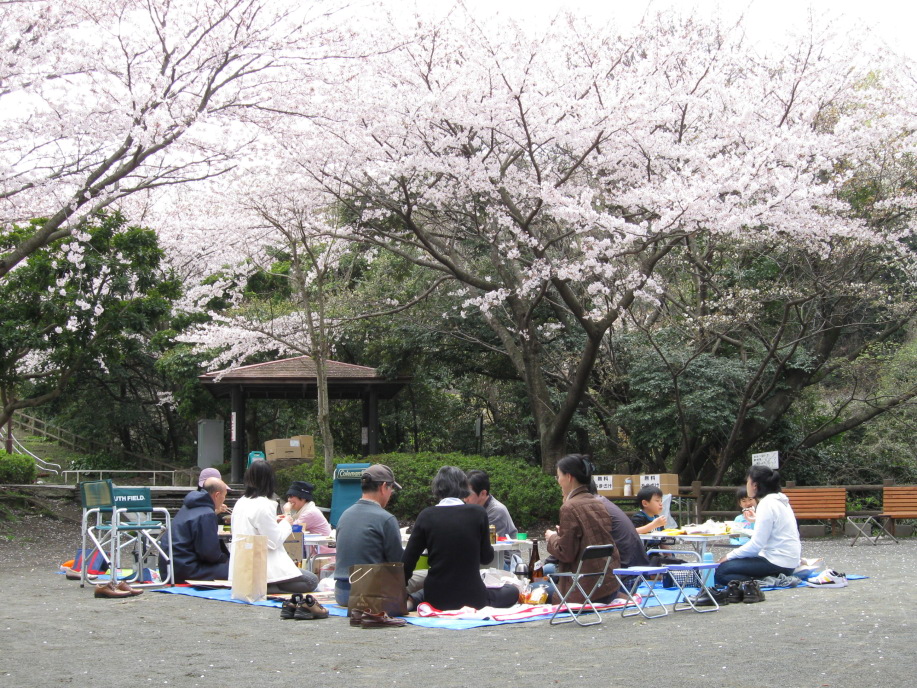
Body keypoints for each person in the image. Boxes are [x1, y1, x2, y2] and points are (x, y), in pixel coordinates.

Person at [403, 466, 518, 610]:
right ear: (464, 487)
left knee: (431, 589)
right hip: (473, 597)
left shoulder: (426, 515)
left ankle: (413, 600)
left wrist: (399, 590)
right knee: (512, 591)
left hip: (436, 597)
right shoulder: (478, 513)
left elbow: (408, 561)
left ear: (437, 488)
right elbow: (486, 558)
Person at [228, 460, 318, 594]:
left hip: (241, 565)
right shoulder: (264, 505)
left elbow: (253, 526)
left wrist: (275, 520)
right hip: (262, 566)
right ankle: (266, 587)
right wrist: (286, 521)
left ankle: (262, 586)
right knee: (311, 580)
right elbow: (273, 541)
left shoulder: (241, 502)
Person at [545, 454, 620, 605]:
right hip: (608, 586)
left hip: (582, 591)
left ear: (569, 477)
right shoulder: (598, 503)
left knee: (535, 588)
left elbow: (565, 553)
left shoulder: (569, 507)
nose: (558, 481)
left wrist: (552, 537)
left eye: (558, 476)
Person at [715, 465, 801, 585]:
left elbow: (756, 545)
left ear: (754, 485)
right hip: (789, 561)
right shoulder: (780, 500)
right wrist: (756, 520)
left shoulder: (766, 503)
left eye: (748, 482)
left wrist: (728, 556)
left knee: (721, 572)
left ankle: (765, 580)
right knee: (730, 566)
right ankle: (767, 577)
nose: (746, 485)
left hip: (778, 562)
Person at [333, 464, 406, 607]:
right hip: (369, 594)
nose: (390, 494)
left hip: (341, 593)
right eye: (391, 488)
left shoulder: (344, 515)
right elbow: (398, 564)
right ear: (383, 487)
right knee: (422, 579)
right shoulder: (386, 519)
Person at [163, 477, 231, 583]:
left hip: (168, 568)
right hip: (186, 570)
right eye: (224, 496)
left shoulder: (188, 507)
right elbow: (209, 554)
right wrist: (226, 558)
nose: (224, 500)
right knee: (235, 570)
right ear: (217, 495)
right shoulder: (207, 514)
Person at [465, 469, 518, 569]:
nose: (465, 499)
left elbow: (487, 546)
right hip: (486, 558)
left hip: (505, 562)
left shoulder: (496, 511)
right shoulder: (473, 508)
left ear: (483, 493)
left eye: (468, 494)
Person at [283, 480, 334, 555]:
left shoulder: (310, 513)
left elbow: (290, 530)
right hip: (318, 555)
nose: (289, 500)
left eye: (291, 496)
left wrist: (287, 512)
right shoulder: (307, 510)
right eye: (288, 497)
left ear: (303, 498)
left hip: (324, 557)